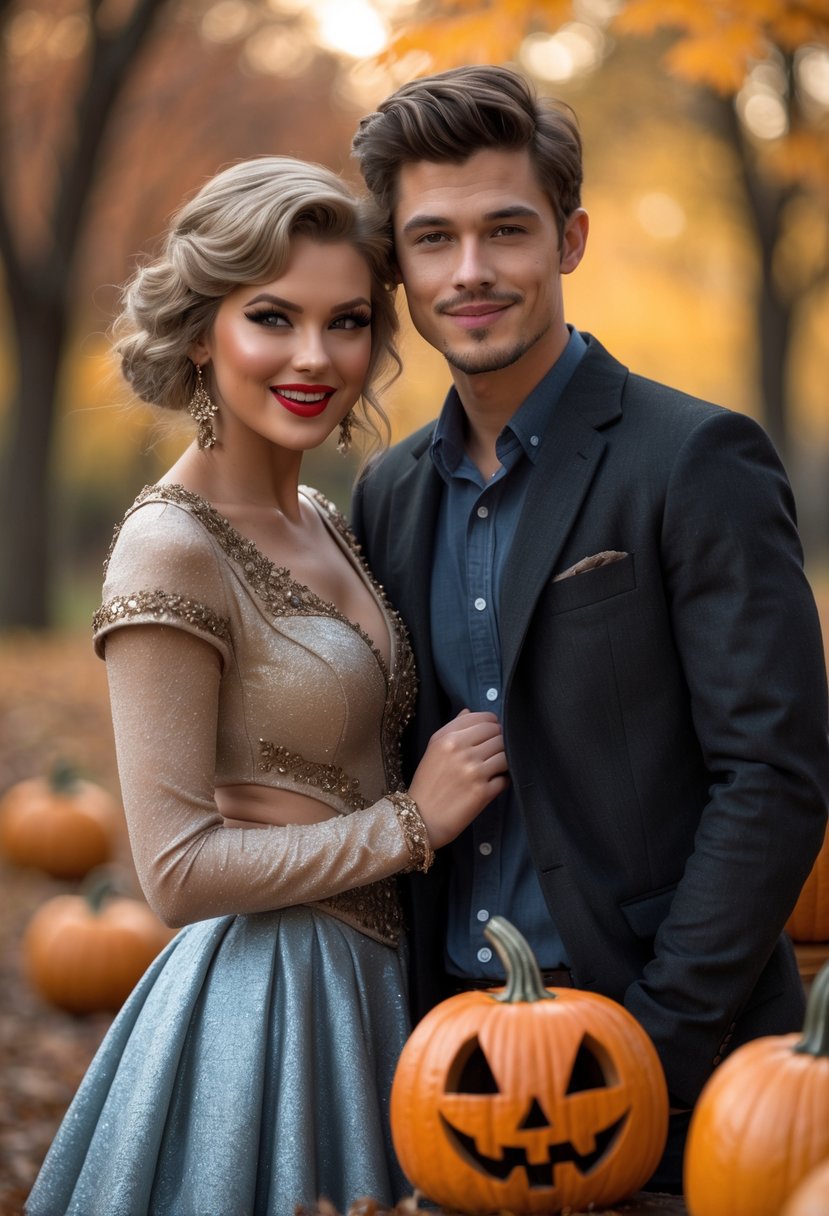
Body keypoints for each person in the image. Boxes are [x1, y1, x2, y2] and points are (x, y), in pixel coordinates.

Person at [350, 65, 829, 1193]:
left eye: (505, 230)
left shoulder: (694, 459)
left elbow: (773, 776)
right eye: (432, 240)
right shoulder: (385, 494)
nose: (469, 273)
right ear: (399, 268)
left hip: (680, 1065)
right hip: (443, 1076)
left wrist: (648, 1049)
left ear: (568, 239)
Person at [26, 155, 508, 1216]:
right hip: (266, 1007)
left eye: (346, 322)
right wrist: (409, 823)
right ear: (203, 331)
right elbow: (176, 869)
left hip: (381, 995)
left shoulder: (328, 519)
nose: (313, 356)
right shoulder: (169, 547)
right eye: (272, 317)